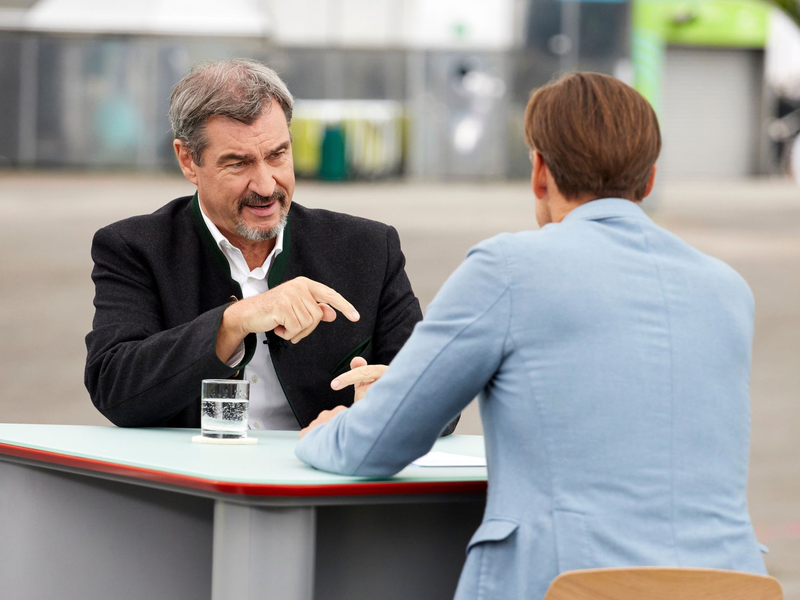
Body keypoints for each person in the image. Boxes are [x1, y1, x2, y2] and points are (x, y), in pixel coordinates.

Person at [295, 72, 768, 599]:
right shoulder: (727, 289)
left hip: (571, 584)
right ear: (650, 178)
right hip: (734, 582)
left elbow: (378, 444)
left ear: (540, 172)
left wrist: (325, 431)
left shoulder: (509, 268)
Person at [85, 59, 458, 433]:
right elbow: (115, 389)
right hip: (193, 483)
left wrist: (384, 411)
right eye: (238, 163)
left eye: (277, 155)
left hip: (323, 481)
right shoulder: (134, 248)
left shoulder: (369, 248)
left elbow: (442, 399)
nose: (266, 186)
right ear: (188, 161)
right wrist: (233, 323)